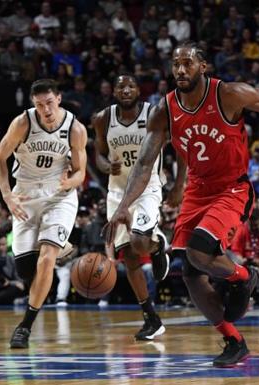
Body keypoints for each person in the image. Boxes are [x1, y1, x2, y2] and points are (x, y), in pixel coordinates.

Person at [105, 41, 259, 367]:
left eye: (188, 64)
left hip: (232, 188)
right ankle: (233, 340)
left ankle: (242, 276)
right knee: (191, 275)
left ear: (203, 67)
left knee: (199, 250)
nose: (181, 70)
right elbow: (143, 164)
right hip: (197, 191)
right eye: (176, 64)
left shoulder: (228, 94)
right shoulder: (165, 109)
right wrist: (125, 205)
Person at [0, 79, 87, 349]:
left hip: (59, 196)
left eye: (49, 103)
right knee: (25, 271)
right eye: (39, 104)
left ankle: (25, 326)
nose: (45, 109)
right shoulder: (23, 123)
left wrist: (71, 182)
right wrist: (7, 195)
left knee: (46, 259)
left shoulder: (75, 129)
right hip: (25, 194)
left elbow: (80, 171)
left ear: (58, 99)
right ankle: (64, 245)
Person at [91, 74, 169, 341]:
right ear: (114, 92)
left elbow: (177, 147)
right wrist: (104, 165)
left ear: (139, 90)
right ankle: (151, 317)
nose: (126, 90)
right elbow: (99, 153)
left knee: (140, 242)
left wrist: (179, 184)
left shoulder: (155, 114)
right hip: (117, 191)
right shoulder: (102, 118)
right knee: (130, 258)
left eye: (131, 86)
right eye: (121, 86)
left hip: (148, 187)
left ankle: (158, 247)